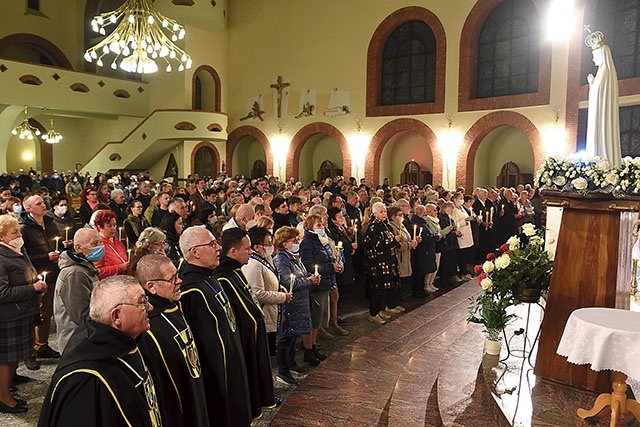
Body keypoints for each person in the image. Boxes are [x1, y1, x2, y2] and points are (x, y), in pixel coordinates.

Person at [38, 275, 161, 427]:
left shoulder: (124, 344)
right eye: (142, 302)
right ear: (116, 316)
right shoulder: (84, 380)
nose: (150, 308)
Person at [178, 226, 252, 427]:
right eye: (211, 244)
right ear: (195, 251)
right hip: (215, 376)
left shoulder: (208, 276)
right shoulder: (189, 290)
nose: (219, 247)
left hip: (231, 363)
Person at [136, 255, 209, 427]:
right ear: (151, 287)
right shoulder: (147, 327)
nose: (179, 281)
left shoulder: (174, 305)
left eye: (177, 275)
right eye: (172, 278)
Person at [214, 228, 277, 420]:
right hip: (241, 344)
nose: (251, 252)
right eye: (247, 248)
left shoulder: (235, 271)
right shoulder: (223, 277)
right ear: (233, 251)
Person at [0, 215, 46, 413]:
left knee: (14, 357)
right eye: (15, 232)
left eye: (19, 230)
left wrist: (38, 285)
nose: (20, 234)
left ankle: (8, 386)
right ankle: (3, 397)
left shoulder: (17, 250)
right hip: (9, 315)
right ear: (2, 237)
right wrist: (32, 288)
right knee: (6, 358)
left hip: (22, 311)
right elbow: (2, 292)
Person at [272, 226, 317, 385]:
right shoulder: (281, 259)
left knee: (293, 336)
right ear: (284, 243)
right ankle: (282, 371)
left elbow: (300, 276)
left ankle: (291, 364)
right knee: (286, 338)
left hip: (299, 302)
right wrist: (309, 281)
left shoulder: (293, 256)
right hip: (291, 304)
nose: (297, 242)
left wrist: (309, 279)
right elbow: (287, 281)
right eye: (294, 240)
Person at [20, 195, 61, 364]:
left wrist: (62, 247)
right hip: (33, 276)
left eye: (43, 202)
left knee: (47, 312)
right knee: (34, 313)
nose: (43, 205)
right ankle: (29, 351)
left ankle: (42, 344)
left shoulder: (50, 223)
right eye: (38, 203)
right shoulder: (23, 228)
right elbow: (24, 255)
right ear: (29, 209)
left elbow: (54, 244)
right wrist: (46, 256)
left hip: (51, 273)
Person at [299, 213, 341, 363]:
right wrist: (330, 267)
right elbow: (308, 265)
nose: (321, 227)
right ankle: (309, 349)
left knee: (319, 318)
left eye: (322, 224)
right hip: (316, 285)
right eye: (318, 225)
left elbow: (329, 258)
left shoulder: (321, 241)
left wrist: (335, 266)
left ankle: (314, 345)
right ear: (310, 227)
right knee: (314, 318)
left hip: (325, 282)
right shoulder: (307, 243)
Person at [54, 228, 102, 354]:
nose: (100, 247)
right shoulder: (75, 273)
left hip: (87, 337)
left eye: (101, 242)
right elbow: (81, 314)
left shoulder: (86, 267)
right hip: (77, 340)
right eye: (94, 244)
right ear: (78, 248)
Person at [242, 226, 287, 356]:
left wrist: (279, 287)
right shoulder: (253, 264)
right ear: (257, 247)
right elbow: (258, 294)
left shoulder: (265, 259)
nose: (271, 247)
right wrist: (282, 296)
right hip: (264, 314)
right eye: (268, 244)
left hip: (271, 313)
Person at [586, 32, 622, 167]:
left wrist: (592, 84)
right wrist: (593, 85)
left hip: (602, 115)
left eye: (594, 56)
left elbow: (599, 94)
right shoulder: (603, 71)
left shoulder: (605, 71)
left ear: (601, 55)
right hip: (599, 113)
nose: (593, 59)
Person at [363, 202, 400, 324]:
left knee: (386, 287)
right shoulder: (373, 228)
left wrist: (395, 242)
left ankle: (381, 308)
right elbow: (376, 246)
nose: (384, 214)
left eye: (385, 211)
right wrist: (393, 242)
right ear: (374, 213)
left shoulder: (385, 226)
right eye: (381, 212)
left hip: (389, 261)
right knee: (377, 289)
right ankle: (374, 313)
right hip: (378, 263)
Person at [386, 205, 415, 311]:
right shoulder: (392, 227)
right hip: (399, 257)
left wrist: (413, 242)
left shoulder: (402, 226)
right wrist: (409, 245)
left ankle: (399, 299)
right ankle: (394, 301)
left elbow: (407, 239)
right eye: (399, 215)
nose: (402, 217)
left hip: (406, 255)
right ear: (393, 217)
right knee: (397, 280)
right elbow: (396, 244)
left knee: (403, 280)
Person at [93, 210, 129, 278]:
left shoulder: (118, 242)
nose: (113, 228)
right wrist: (119, 268)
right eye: (109, 226)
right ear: (100, 227)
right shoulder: (98, 246)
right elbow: (97, 271)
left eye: (114, 225)